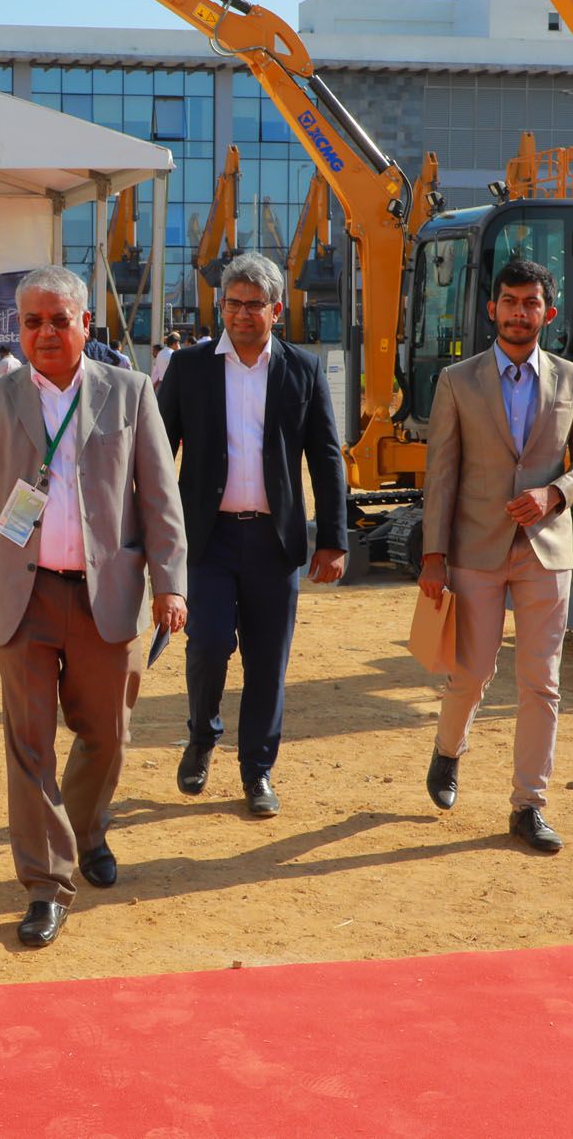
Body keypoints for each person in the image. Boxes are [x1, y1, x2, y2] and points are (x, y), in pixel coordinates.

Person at [0, 265, 188, 949]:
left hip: (109, 594)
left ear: (86, 323)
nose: (45, 332)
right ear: (18, 330)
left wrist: (171, 582)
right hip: (24, 596)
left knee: (106, 734)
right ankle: (47, 883)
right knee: (29, 745)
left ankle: (85, 831)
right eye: (32, 322)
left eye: (58, 320)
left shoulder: (130, 392)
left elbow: (160, 497)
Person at [417, 257, 573, 855]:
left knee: (541, 682)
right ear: (491, 309)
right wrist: (433, 555)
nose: (519, 312)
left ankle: (529, 805)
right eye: (509, 301)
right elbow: (441, 475)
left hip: (546, 553)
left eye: (530, 303)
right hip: (474, 549)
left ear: (548, 313)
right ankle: (448, 751)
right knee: (471, 673)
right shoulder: (458, 381)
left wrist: (555, 493)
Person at [157, 254, 347, 818]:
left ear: (276, 310)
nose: (241, 314)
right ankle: (202, 735)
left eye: (254, 305)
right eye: (232, 304)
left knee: (268, 661)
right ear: (221, 307)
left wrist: (333, 539)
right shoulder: (189, 367)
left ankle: (257, 771)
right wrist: (152, 536)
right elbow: (157, 453)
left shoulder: (302, 370)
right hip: (206, 541)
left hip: (274, 543)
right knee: (208, 644)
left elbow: (326, 458)